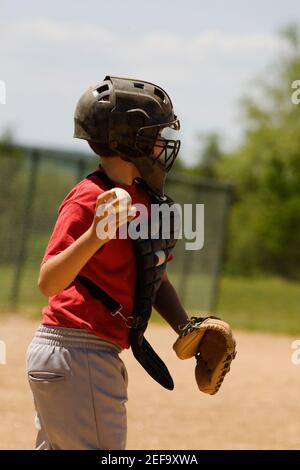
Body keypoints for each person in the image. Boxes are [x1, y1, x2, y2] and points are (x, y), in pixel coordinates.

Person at [26, 75, 189, 450]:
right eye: (156, 133)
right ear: (131, 140)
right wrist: (96, 234)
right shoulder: (90, 197)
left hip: (89, 354)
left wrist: (186, 327)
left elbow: (153, 275)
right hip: (77, 349)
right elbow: (49, 281)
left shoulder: (143, 199)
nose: (164, 143)